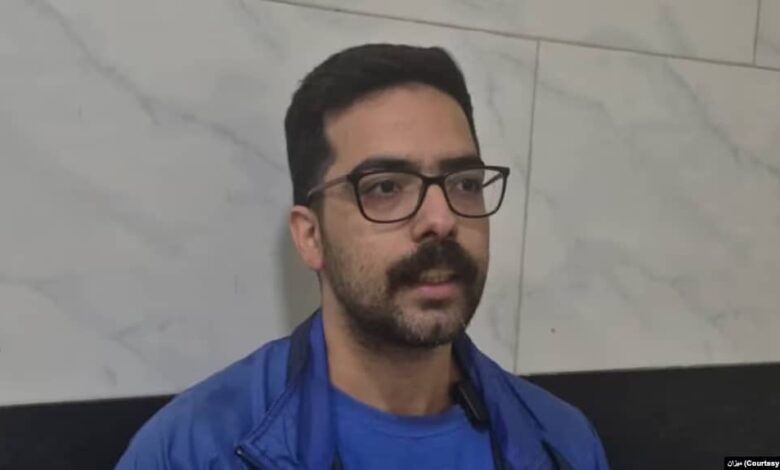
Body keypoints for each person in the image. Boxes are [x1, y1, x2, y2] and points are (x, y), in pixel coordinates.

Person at [116, 43, 609, 470]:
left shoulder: (562, 444)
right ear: (311, 237)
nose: (442, 219)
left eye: (464, 183)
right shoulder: (192, 451)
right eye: (386, 187)